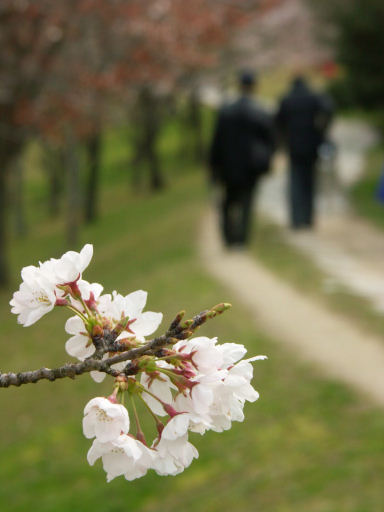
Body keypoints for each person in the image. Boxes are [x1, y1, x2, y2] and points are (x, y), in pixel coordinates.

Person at [209, 71, 274, 247]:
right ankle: (242, 239)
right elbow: (269, 142)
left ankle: (229, 237)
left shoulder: (226, 111)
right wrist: (266, 165)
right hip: (250, 167)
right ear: (254, 87)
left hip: (228, 167)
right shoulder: (259, 112)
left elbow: (216, 142)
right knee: (246, 202)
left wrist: (213, 168)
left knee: (228, 203)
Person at [276, 75, 333, 229]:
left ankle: (296, 219)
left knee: (295, 181)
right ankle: (308, 218)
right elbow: (328, 109)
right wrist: (322, 130)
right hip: (312, 144)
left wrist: (281, 141)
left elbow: (278, 122)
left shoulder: (286, 99)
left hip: (293, 146)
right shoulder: (313, 98)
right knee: (310, 181)